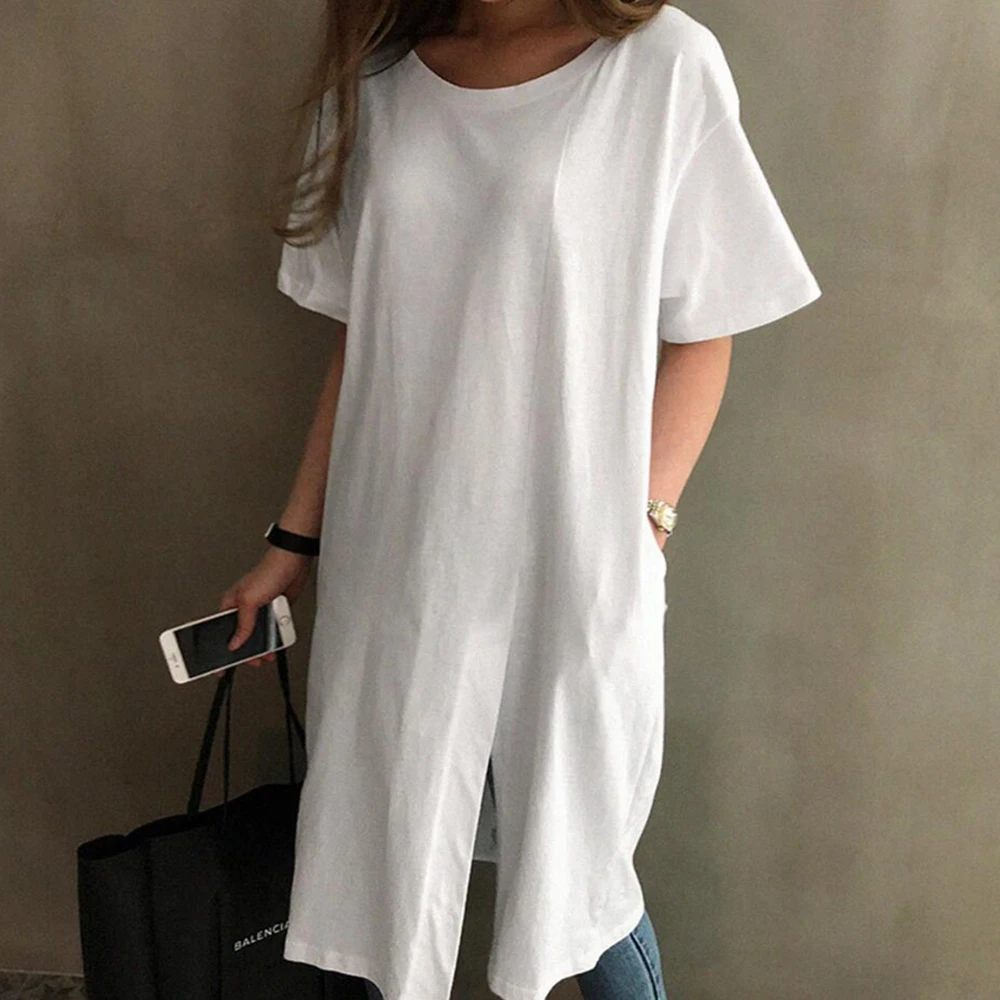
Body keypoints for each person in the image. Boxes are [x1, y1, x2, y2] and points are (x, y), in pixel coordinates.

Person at [219, 1, 822, 998]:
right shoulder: (377, 79)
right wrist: (292, 540)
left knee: (578, 878)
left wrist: (643, 527)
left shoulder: (661, 65)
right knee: (387, 850)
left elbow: (705, 329)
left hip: (571, 558)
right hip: (402, 550)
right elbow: (364, 339)